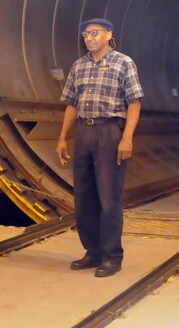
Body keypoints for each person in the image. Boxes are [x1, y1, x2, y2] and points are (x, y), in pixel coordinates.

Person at [56, 18, 143, 278]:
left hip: (110, 132)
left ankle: (112, 255)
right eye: (85, 34)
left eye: (95, 33)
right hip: (84, 132)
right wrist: (62, 137)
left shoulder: (123, 63)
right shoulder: (79, 66)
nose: (89, 38)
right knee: (83, 198)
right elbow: (72, 104)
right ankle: (92, 252)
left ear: (108, 35)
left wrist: (127, 137)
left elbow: (135, 103)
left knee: (108, 198)